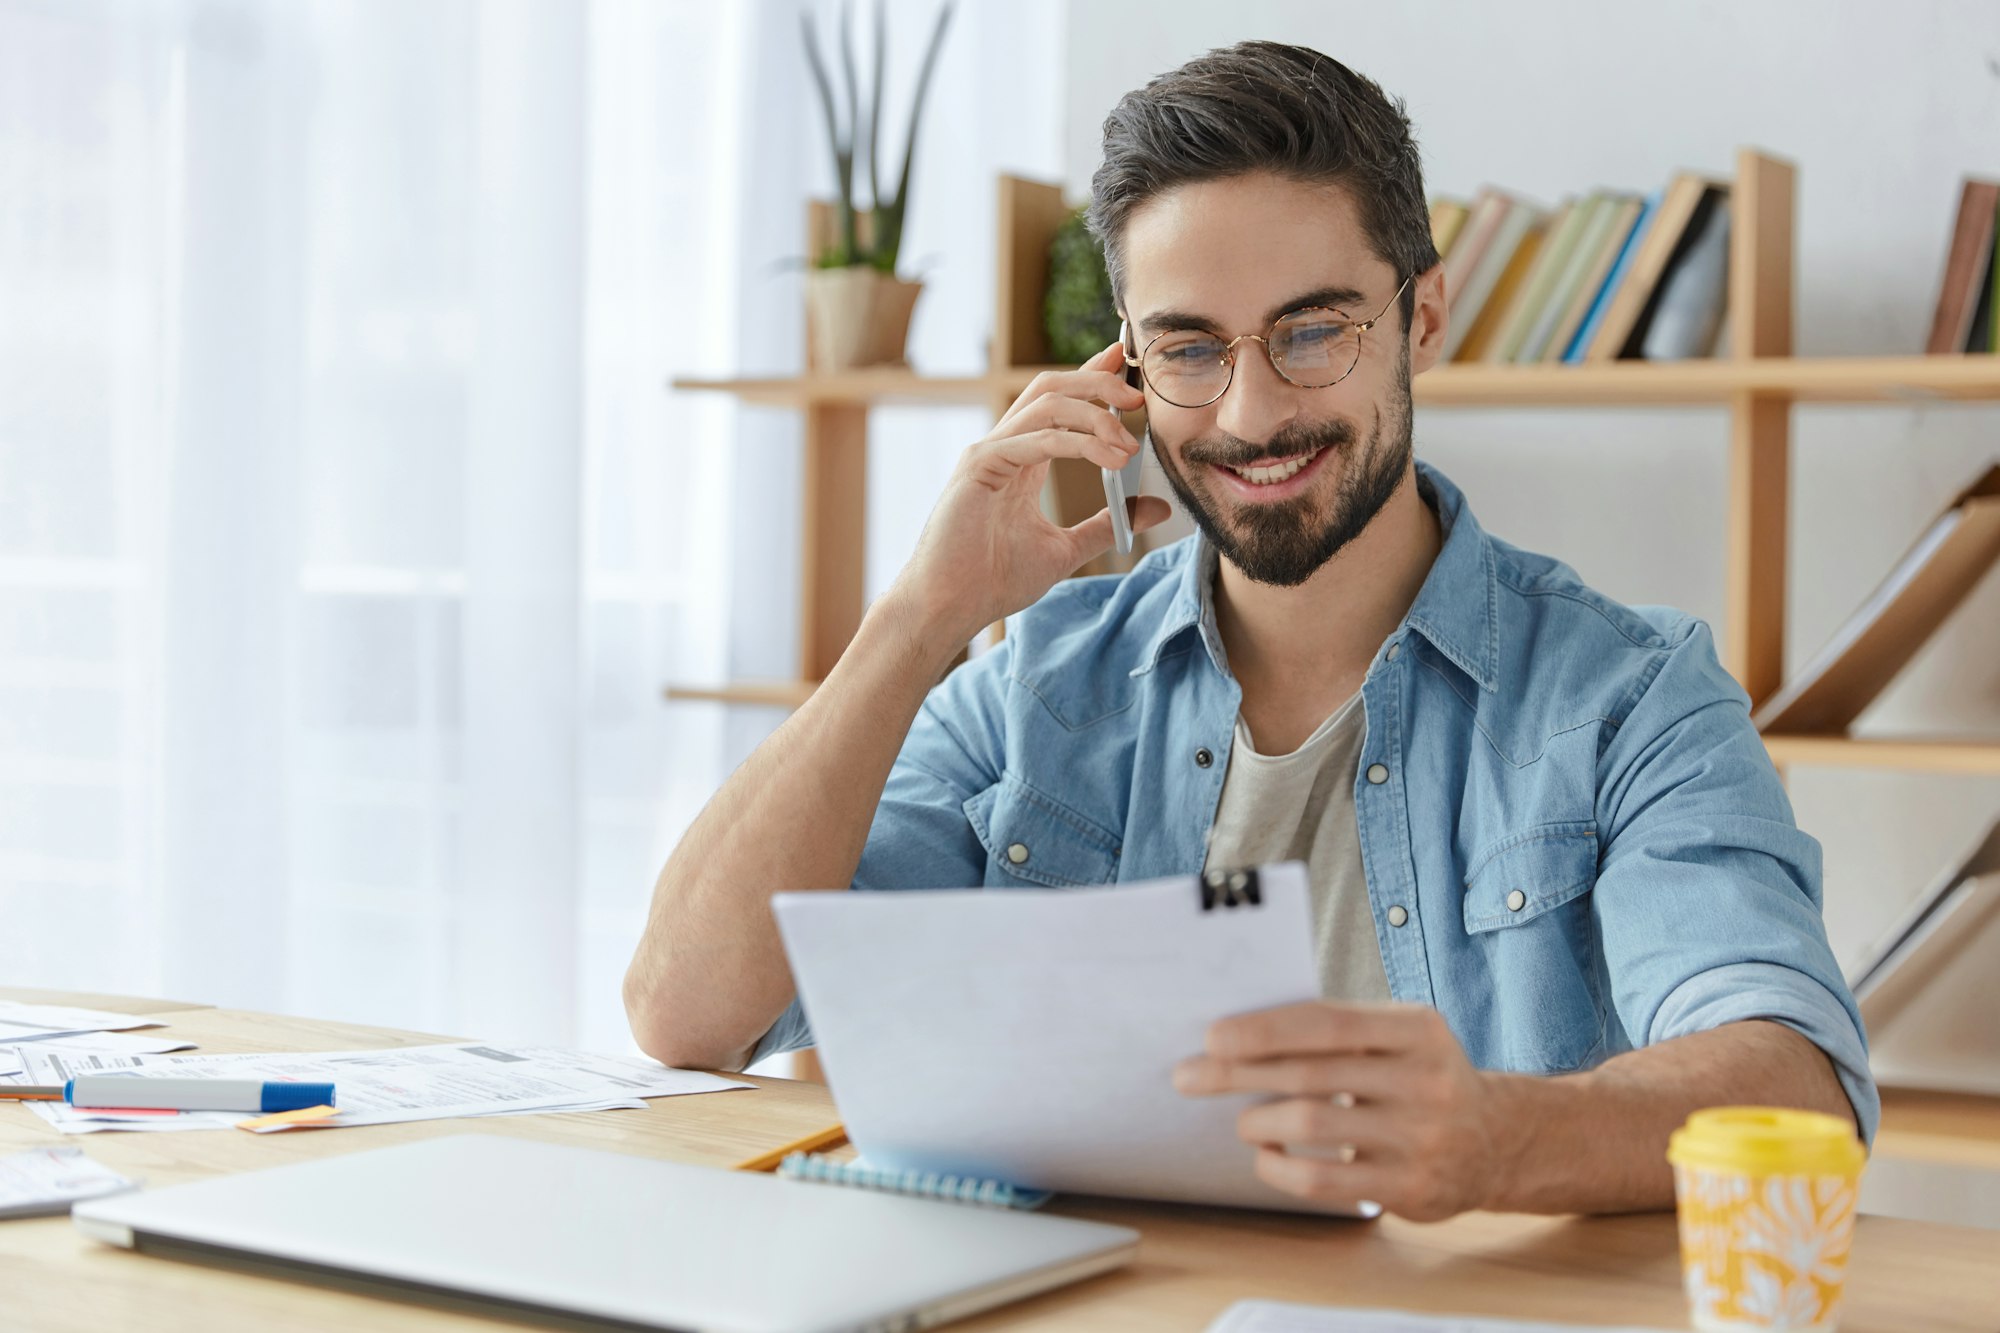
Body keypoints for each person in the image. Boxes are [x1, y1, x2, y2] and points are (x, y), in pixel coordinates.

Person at [626, 40, 1872, 1221]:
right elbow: (687, 1014)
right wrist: (914, 620)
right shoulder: (1035, 683)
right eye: (1187, 348)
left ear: (1422, 318)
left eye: (1313, 330)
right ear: (1127, 369)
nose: (1252, 410)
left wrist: (1494, 1137)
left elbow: (1790, 1080)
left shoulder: (1631, 696)